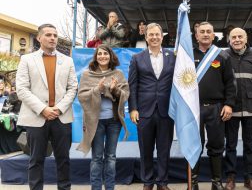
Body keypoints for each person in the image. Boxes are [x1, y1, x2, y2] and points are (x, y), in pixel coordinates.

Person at [16, 23, 78, 190]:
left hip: (61, 117)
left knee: (63, 160)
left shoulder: (68, 61)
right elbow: (21, 89)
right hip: (36, 117)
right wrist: (43, 109)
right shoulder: (26, 60)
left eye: (55, 35)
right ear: (39, 38)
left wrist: (58, 109)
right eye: (48, 35)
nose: (52, 38)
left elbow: (73, 88)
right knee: (36, 160)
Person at [128, 23, 175, 190]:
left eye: (157, 34)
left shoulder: (173, 57)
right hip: (144, 112)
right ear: (146, 37)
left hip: (166, 111)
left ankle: (162, 182)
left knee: (164, 150)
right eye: (151, 35)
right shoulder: (137, 58)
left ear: (162, 37)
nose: (154, 37)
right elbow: (132, 85)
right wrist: (133, 108)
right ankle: (147, 182)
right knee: (145, 150)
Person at [77, 45, 130, 190]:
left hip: (114, 121)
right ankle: (96, 188)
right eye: (99, 54)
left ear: (110, 56)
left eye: (105, 53)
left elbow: (125, 95)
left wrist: (114, 90)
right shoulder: (88, 75)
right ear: (95, 57)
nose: (102, 56)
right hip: (95, 122)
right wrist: (97, 90)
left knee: (111, 157)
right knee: (96, 158)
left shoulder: (118, 74)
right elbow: (81, 96)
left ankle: (110, 188)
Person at [191, 22, 236, 190]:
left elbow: (230, 83)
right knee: (194, 145)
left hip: (216, 108)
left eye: (208, 31)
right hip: (193, 108)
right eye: (201, 32)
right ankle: (193, 182)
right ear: (196, 36)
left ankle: (216, 182)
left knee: (216, 145)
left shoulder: (222, 56)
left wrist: (229, 105)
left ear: (213, 35)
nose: (205, 34)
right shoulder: (187, 55)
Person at [224, 28, 252, 190]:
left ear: (246, 39)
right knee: (230, 145)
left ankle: (249, 178)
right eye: (234, 37)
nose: (237, 39)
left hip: (251, 109)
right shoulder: (223, 56)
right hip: (231, 110)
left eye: (240, 36)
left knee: (249, 145)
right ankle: (230, 178)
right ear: (229, 39)